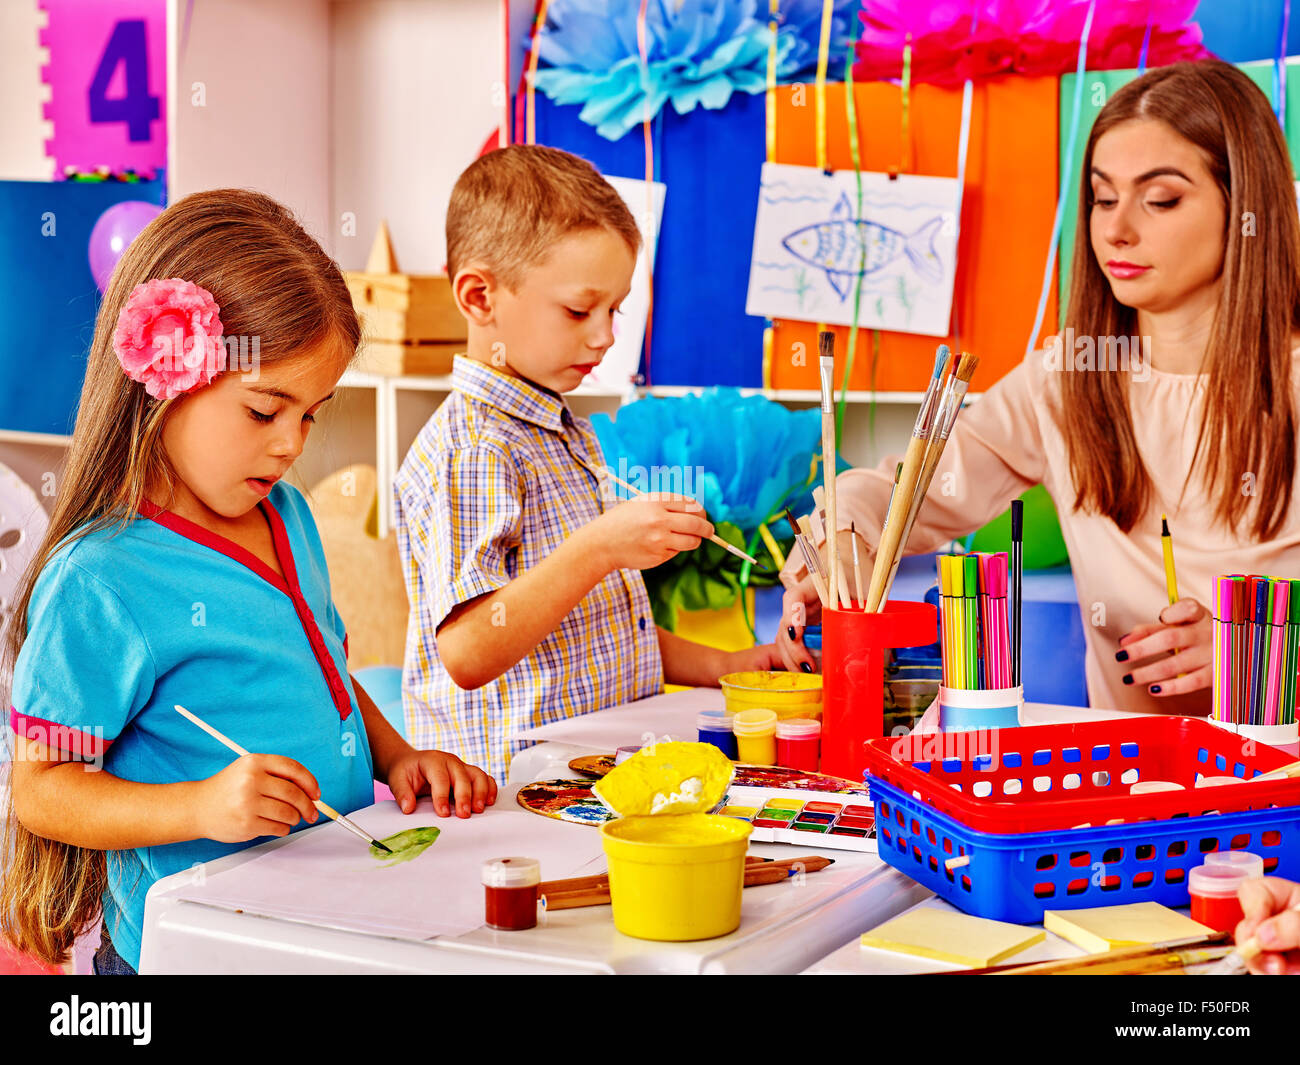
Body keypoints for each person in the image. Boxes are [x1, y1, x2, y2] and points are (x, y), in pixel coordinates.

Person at [0, 190, 494, 976]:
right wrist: (201, 805)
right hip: (195, 947)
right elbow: (41, 788)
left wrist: (396, 755)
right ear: (165, 377)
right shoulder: (101, 579)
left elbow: (319, 660)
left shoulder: (289, 514)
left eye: (312, 413)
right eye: (265, 410)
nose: (293, 443)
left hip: (317, 919)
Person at [777, 60, 1300, 716]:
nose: (1116, 230)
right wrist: (834, 547)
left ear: (1247, 206)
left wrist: (1267, 652)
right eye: (1104, 198)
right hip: (1136, 796)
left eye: (1160, 199)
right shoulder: (1069, 377)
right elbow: (906, 490)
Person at [395, 145, 782, 783]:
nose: (604, 336)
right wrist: (600, 547)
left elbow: (600, 633)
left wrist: (730, 665)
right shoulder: (474, 449)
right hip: (513, 793)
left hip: (592, 773)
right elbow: (466, 651)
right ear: (479, 296)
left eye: (616, 310)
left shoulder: (561, 430)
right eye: (580, 310)